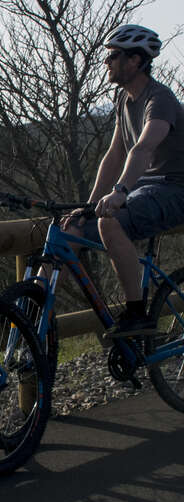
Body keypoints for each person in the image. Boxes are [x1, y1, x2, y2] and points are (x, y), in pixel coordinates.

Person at [68, 24, 184, 338]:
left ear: (135, 61)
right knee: (70, 229)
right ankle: (31, 308)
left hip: (173, 188)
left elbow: (143, 148)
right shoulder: (123, 99)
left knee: (110, 223)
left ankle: (138, 314)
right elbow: (114, 154)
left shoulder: (159, 99)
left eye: (113, 56)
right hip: (144, 189)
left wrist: (120, 192)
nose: (106, 62)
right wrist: (88, 206)